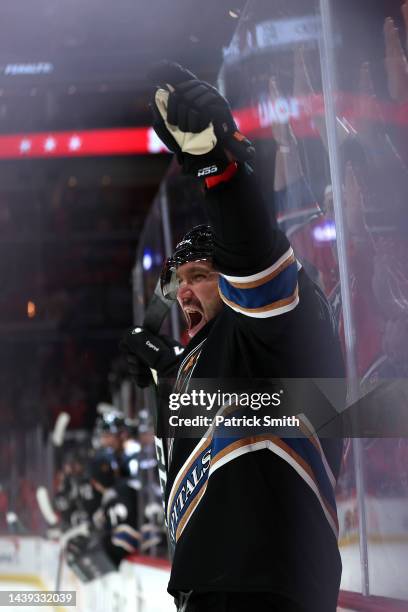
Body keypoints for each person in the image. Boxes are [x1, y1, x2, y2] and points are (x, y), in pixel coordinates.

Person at [121, 62, 344, 612]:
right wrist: (167, 382)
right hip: (216, 587)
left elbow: (252, 256)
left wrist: (216, 168)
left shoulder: (267, 324)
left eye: (199, 276)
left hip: (264, 590)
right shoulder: (215, 357)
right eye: (179, 285)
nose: (186, 294)